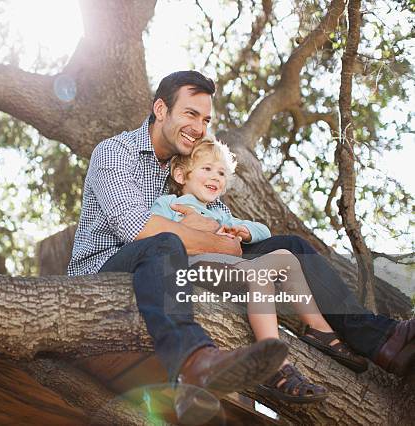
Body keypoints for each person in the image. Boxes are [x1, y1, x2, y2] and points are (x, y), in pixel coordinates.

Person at [67, 70, 413, 422]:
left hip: (173, 263)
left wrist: (230, 239)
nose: (199, 127)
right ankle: (193, 361)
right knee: (164, 242)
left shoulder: (183, 166)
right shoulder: (115, 153)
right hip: (105, 273)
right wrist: (218, 242)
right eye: (190, 114)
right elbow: (136, 228)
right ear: (160, 109)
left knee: (290, 246)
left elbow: (211, 231)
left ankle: (379, 339)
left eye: (205, 119)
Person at [151, 137, 369, 403]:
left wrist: (242, 231)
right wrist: (192, 230)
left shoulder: (220, 211)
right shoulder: (169, 203)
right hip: (195, 268)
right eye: (206, 169)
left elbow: (264, 231)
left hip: (231, 268)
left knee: (286, 258)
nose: (215, 177)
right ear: (181, 174)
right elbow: (155, 235)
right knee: (260, 271)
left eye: (221, 173)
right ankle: (275, 365)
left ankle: (318, 328)